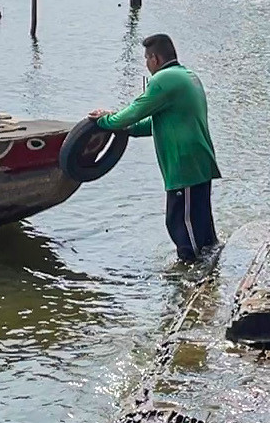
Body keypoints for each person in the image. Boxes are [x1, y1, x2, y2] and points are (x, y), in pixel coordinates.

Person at [92, 34, 220, 263]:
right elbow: (158, 122)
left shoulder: (162, 80)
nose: (146, 64)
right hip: (198, 160)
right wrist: (129, 129)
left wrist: (104, 121)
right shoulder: (187, 76)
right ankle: (211, 270)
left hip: (184, 164)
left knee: (180, 222)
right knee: (200, 220)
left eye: (146, 58)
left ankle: (193, 273)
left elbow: (132, 112)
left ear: (155, 58)